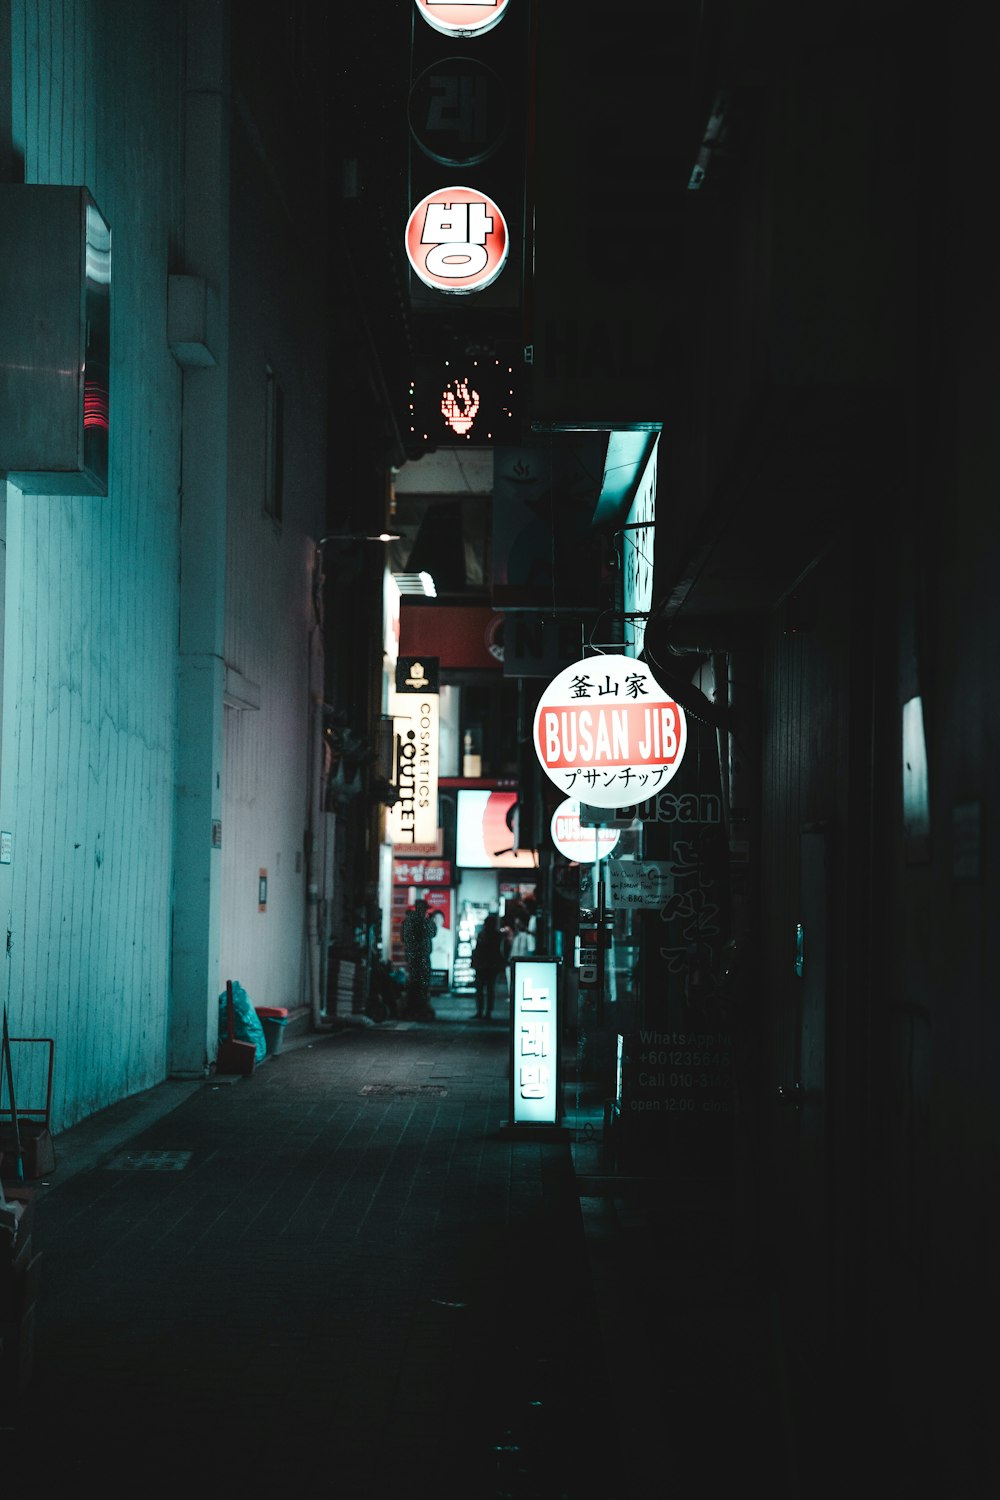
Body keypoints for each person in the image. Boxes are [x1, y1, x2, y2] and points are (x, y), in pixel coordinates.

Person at [401, 898, 435, 1019]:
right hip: (421, 956)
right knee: (421, 983)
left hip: (413, 955)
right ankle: (419, 1007)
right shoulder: (422, 921)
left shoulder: (409, 921)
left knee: (415, 982)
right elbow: (433, 932)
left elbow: (403, 937)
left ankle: (414, 1008)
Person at [470, 913, 507, 1020]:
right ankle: (487, 1012)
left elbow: (478, 949)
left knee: (481, 989)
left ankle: (480, 1011)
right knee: (489, 989)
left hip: (482, 964)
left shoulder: (482, 934)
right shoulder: (497, 935)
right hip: (491, 965)